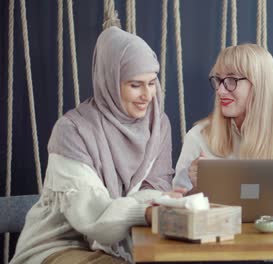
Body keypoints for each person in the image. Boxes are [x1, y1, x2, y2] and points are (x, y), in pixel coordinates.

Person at [10, 27, 183, 264]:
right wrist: (147, 208)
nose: (148, 95)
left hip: (127, 243)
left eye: (152, 83)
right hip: (61, 245)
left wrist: (165, 201)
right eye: (135, 85)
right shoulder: (72, 130)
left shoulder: (158, 124)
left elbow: (157, 186)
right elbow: (91, 215)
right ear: (109, 81)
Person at [172, 44, 273, 210]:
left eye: (231, 80)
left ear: (260, 84)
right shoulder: (198, 136)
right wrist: (199, 188)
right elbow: (177, 201)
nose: (220, 91)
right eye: (218, 80)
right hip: (218, 233)